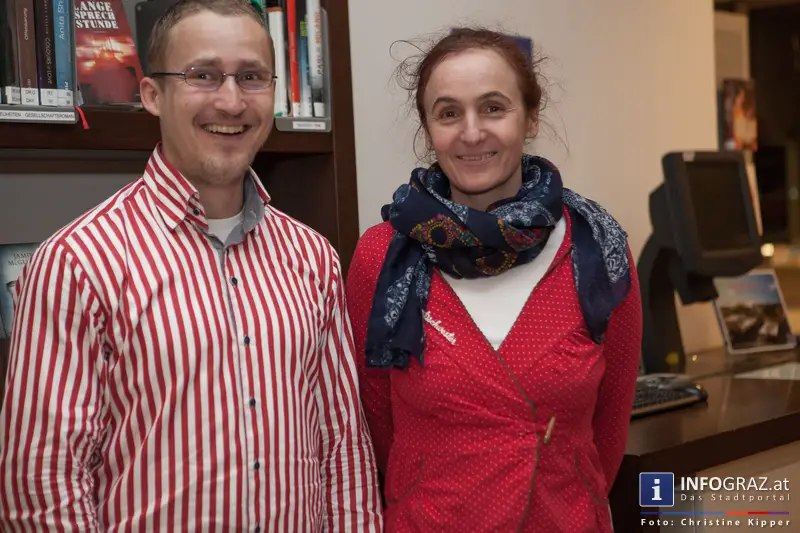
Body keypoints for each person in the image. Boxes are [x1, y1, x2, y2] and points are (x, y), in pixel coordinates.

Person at [0, 1, 382, 531]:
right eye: (203, 75)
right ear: (153, 95)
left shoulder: (312, 257)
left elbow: (343, 447)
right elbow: (43, 484)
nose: (231, 101)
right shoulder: (77, 262)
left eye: (251, 77)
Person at [346, 27, 642, 532]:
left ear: (531, 118)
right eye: (448, 113)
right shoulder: (384, 255)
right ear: (427, 130)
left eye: (493, 107)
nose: (471, 132)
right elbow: (374, 422)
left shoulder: (597, 250)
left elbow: (609, 426)